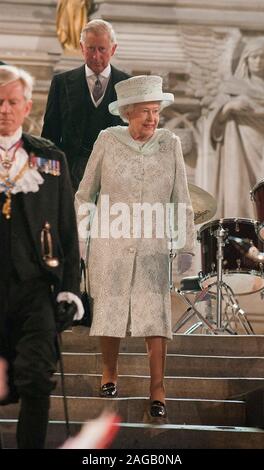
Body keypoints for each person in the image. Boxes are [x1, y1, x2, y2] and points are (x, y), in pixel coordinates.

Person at [75, 75, 195, 422]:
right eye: (144, 111)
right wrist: (82, 238)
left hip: (153, 242)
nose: (151, 119)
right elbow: (86, 193)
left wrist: (185, 245)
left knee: (156, 316)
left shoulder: (169, 143)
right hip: (111, 239)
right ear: (127, 113)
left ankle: (158, 388)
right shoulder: (107, 140)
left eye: (155, 111)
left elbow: (182, 201)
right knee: (110, 309)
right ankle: (109, 373)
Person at [0, 64, 83, 449]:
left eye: (12, 101)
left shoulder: (50, 161)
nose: (4, 109)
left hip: (36, 289)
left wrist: (70, 290)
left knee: (36, 377)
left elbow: (68, 230)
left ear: (27, 106)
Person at [41, 19, 130, 191]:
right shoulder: (61, 83)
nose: (96, 56)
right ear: (82, 48)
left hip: (115, 176)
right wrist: (48, 181)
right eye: (91, 49)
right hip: (70, 174)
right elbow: (50, 134)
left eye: (102, 49)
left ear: (113, 49)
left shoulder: (127, 84)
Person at [206, 37, 264, 219]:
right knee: (245, 184)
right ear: (246, 60)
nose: (259, 62)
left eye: (263, 57)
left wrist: (256, 110)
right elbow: (215, 121)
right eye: (254, 57)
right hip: (242, 141)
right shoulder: (233, 86)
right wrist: (229, 107)